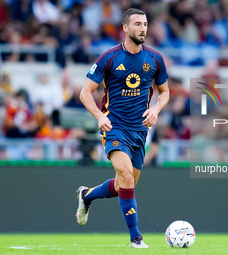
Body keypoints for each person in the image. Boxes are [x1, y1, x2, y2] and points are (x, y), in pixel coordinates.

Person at [75, 8, 169, 248]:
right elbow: (85, 92)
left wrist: (156, 110)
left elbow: (165, 92)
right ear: (125, 28)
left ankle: (86, 196)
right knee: (125, 175)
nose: (143, 28)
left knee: (123, 185)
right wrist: (98, 116)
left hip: (140, 131)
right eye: (137, 24)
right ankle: (136, 238)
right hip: (114, 126)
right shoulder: (108, 58)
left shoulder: (155, 59)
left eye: (145, 24)